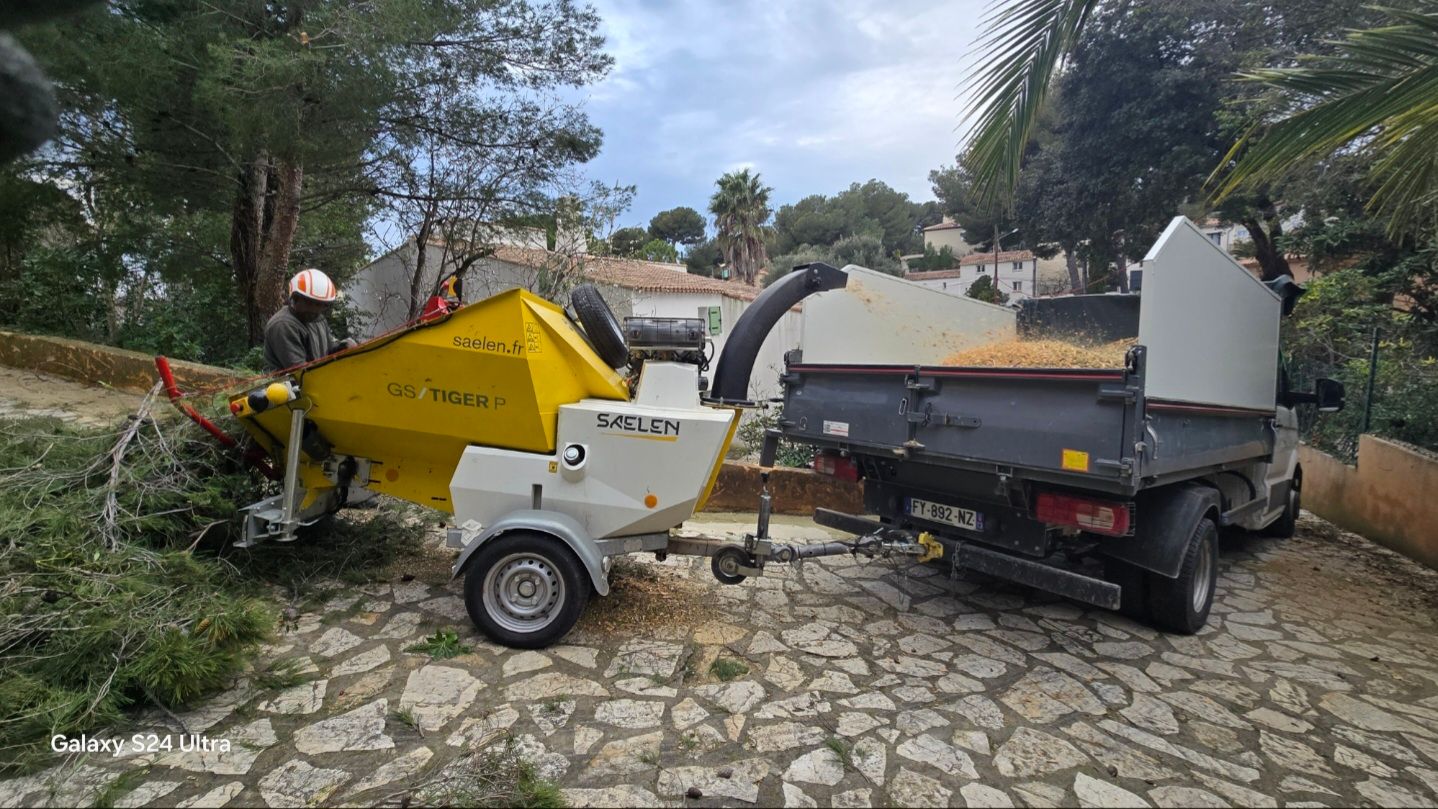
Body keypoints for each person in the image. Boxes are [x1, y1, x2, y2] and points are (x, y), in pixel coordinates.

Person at [262, 269, 356, 371]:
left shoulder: (318, 319)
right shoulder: (283, 325)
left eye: (321, 305)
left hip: (317, 379)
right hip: (289, 385)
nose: (316, 309)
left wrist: (343, 347)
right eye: (311, 303)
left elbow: (329, 349)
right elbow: (299, 370)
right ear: (295, 298)